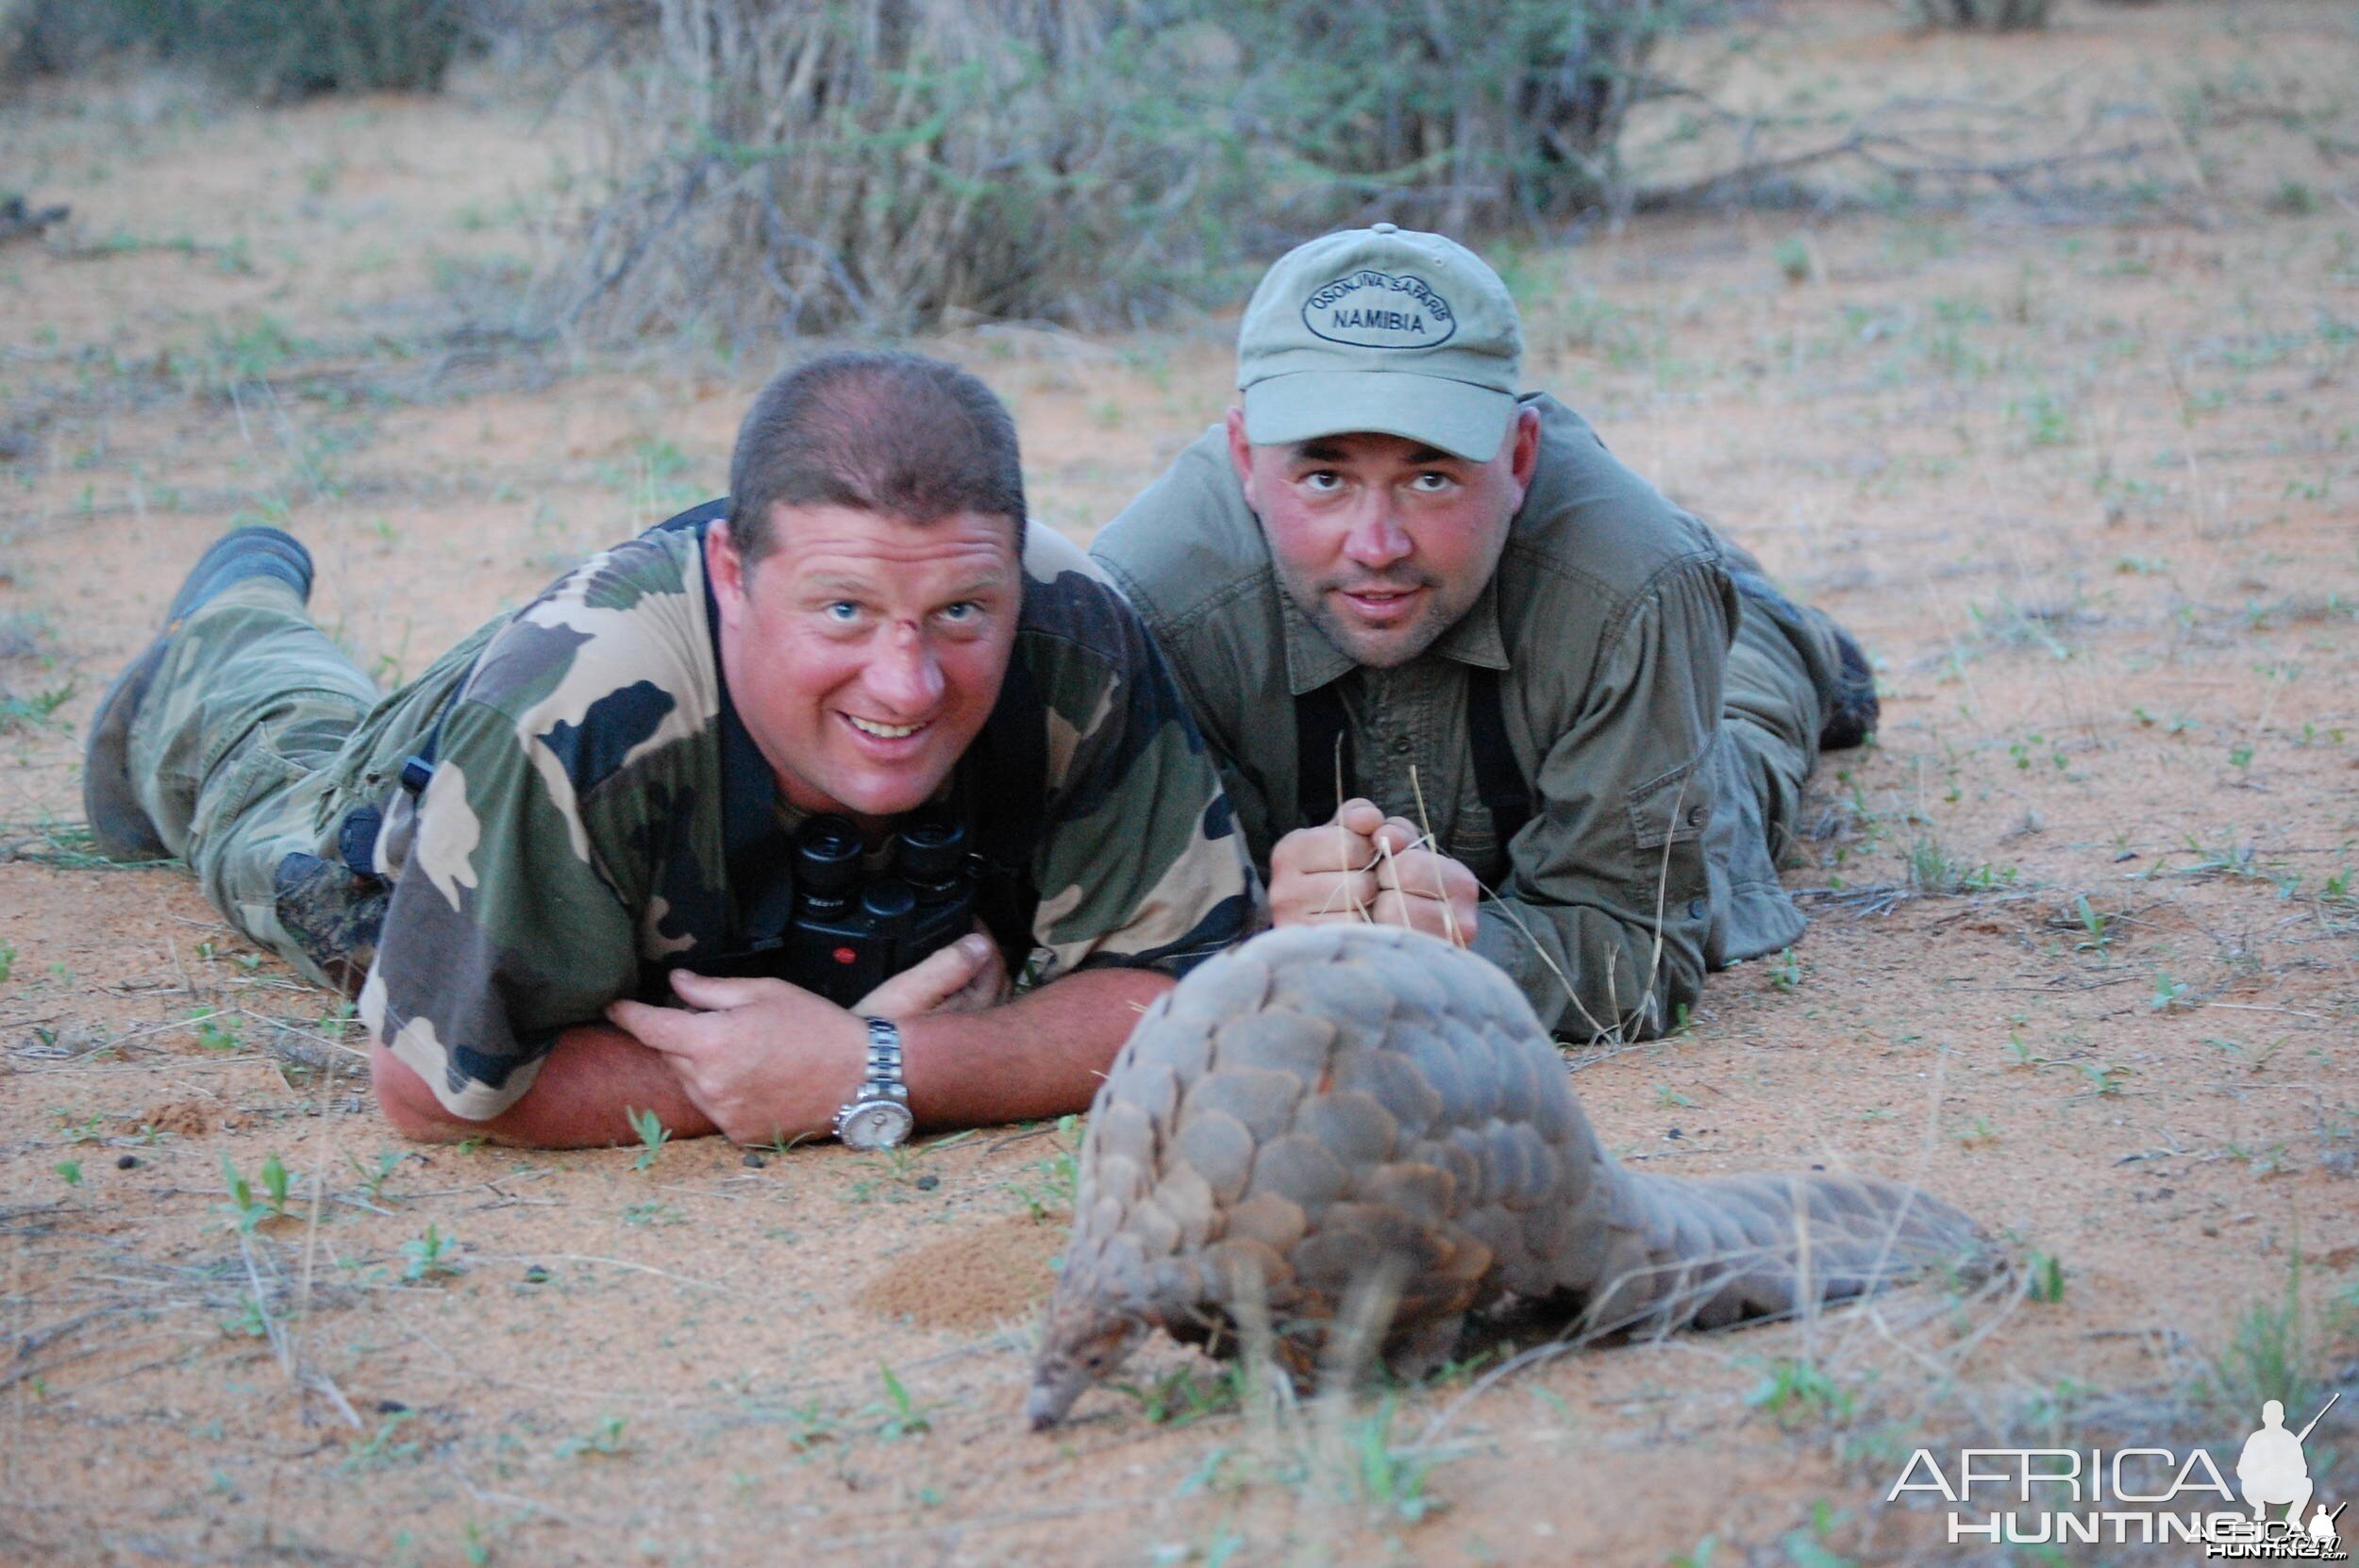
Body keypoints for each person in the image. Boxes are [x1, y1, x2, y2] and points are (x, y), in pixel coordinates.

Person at [85, 352, 1257, 1149]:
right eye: (842, 612)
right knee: (273, 790)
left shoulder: (1075, 633)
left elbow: (1185, 996)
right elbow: (427, 1090)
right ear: (733, 577)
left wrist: (879, 1066)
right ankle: (231, 627)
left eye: (961, 613)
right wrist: (780, 1079)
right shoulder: (566, 712)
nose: (908, 684)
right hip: (484, 764)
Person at [1090, 225, 1877, 1042]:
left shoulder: (1634, 588)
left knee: (1741, 749)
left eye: (1431, 478)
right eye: (1325, 479)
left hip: (1625, 604)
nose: (1376, 546)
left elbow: (1642, 953)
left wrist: (1469, 954)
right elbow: (1101, 936)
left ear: (1521, 457)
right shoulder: (1143, 607)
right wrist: (1260, 928)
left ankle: (1772, 625)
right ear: (1245, 459)